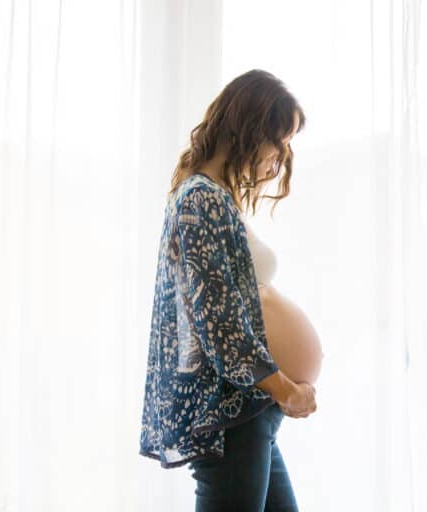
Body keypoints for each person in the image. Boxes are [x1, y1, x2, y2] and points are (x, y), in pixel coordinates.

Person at [139, 69, 316, 511]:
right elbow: (219, 325)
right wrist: (284, 388)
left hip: (248, 413)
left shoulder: (214, 197)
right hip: (231, 417)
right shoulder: (200, 199)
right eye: (281, 140)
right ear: (252, 129)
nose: (282, 156)